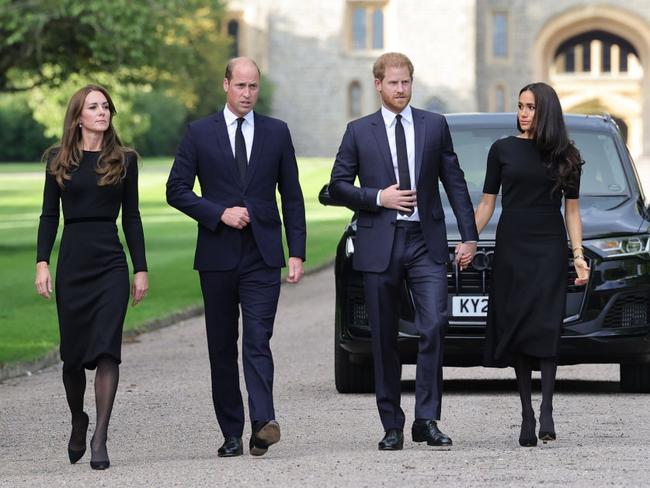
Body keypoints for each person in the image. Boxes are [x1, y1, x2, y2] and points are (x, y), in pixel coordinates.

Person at [329, 52, 478, 451]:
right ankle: (391, 424)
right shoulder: (359, 131)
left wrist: (469, 235)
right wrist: (379, 196)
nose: (401, 89)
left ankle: (426, 420)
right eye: (393, 83)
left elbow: (455, 181)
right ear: (378, 84)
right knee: (384, 338)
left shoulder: (434, 125)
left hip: (424, 243)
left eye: (406, 82)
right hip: (380, 242)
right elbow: (338, 185)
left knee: (434, 325)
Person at [166, 57, 306, 458]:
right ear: (225, 84)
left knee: (258, 340)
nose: (247, 94)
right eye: (241, 86)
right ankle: (231, 432)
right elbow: (176, 190)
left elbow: (292, 197)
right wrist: (218, 212)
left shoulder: (276, 133)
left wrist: (296, 251)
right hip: (217, 255)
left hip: (263, 255)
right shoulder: (198, 133)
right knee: (222, 347)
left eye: (253, 87)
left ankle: (263, 423)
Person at [468, 82, 590, 447]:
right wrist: (468, 239)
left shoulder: (567, 155)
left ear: (546, 111)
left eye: (531, 107)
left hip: (549, 247)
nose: (523, 113)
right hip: (512, 246)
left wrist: (579, 256)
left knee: (546, 324)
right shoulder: (502, 149)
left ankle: (548, 408)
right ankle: (527, 413)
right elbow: (488, 203)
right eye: (520, 106)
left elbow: (572, 211)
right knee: (519, 325)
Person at [35, 85, 148, 469]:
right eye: (93, 107)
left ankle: (100, 436)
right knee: (72, 358)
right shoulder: (58, 159)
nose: (102, 112)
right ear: (78, 116)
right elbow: (49, 215)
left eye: (106, 107)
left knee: (106, 350)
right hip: (73, 263)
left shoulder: (125, 160)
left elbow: (131, 217)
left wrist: (141, 269)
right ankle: (78, 419)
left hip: (110, 264)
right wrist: (41, 262)